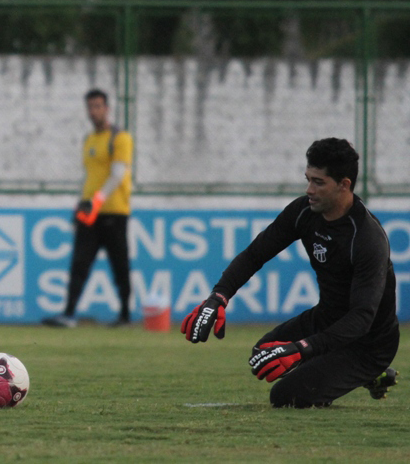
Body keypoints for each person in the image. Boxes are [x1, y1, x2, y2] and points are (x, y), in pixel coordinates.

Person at [181, 138, 399, 408]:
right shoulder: (303, 212)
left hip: (368, 343)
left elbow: (362, 318)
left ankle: (369, 371)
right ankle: (345, 373)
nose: (309, 189)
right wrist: (219, 296)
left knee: (287, 397)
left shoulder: (367, 238)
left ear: (344, 185)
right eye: (308, 179)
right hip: (327, 319)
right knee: (262, 356)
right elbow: (255, 255)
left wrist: (303, 348)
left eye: (319, 182)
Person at [43, 89, 134, 328]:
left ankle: (124, 315)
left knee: (119, 265)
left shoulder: (120, 138)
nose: (93, 111)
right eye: (90, 107)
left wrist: (96, 200)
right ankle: (69, 314)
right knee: (79, 264)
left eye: (98, 106)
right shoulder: (90, 140)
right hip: (89, 211)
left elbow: (117, 175)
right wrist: (81, 202)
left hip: (114, 212)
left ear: (107, 108)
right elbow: (89, 176)